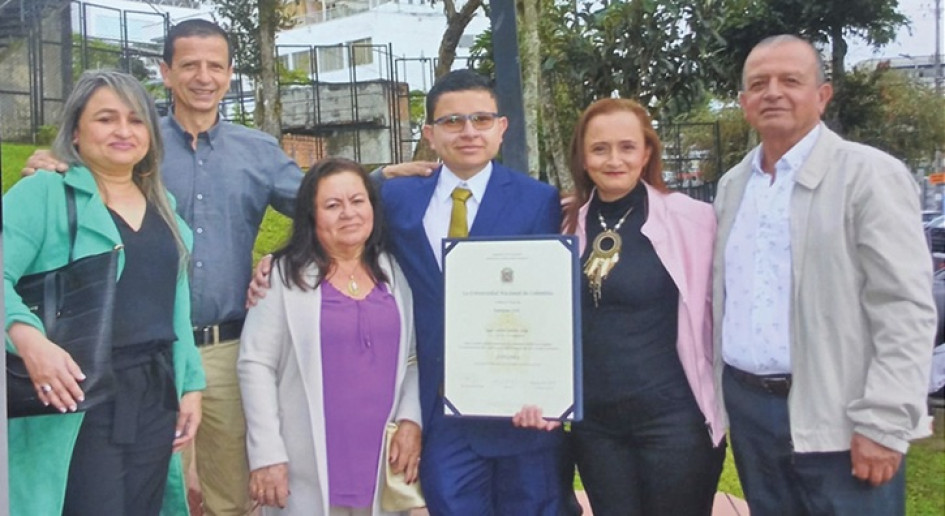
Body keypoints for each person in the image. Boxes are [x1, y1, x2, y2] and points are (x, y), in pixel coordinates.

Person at [22, 19, 305, 515]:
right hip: (117, 360)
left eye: (215, 66)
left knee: (229, 496)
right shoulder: (129, 142)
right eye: (189, 64)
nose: (203, 76)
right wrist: (54, 162)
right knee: (147, 493)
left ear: (230, 73)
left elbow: (323, 210)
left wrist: (279, 257)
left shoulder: (256, 151)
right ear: (165, 71)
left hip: (224, 352)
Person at [713, 34, 937, 514]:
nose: (773, 92)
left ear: (822, 94)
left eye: (790, 80)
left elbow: (905, 308)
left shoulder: (869, 176)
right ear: (744, 102)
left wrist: (884, 421)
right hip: (752, 414)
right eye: (759, 83)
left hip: (842, 416)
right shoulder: (733, 187)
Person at [4, 70, 205, 515]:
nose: (123, 131)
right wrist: (27, 338)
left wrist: (190, 385)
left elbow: (175, 306)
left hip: (153, 395)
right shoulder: (44, 194)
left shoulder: (163, 208)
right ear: (75, 130)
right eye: (106, 119)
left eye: (136, 121)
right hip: (76, 397)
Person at [560, 98, 725, 515]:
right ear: (581, 155)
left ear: (647, 152)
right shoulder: (563, 225)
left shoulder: (694, 220)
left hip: (673, 421)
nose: (614, 159)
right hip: (595, 426)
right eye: (599, 149)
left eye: (627, 147)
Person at [238, 157, 421, 515]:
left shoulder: (395, 272)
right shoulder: (283, 277)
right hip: (307, 463)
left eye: (357, 201)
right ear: (311, 215)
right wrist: (267, 453)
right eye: (332, 206)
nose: (348, 214)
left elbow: (414, 357)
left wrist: (411, 420)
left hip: (383, 460)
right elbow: (255, 365)